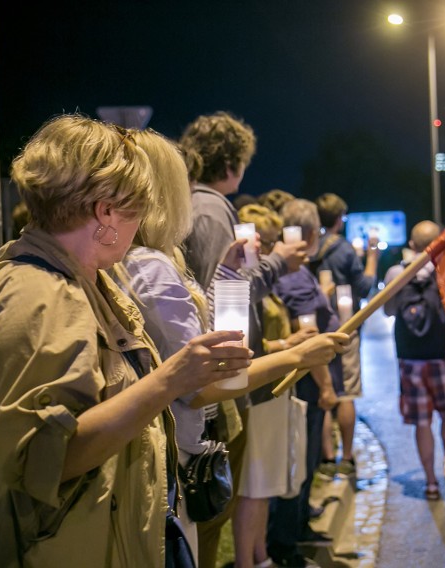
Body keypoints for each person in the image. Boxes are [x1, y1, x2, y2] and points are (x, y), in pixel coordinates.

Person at [0, 115, 252, 567]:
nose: (140, 226)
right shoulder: (39, 295)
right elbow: (44, 457)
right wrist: (169, 380)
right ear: (107, 211)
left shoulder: (89, 279)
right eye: (138, 209)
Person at [110, 130, 347, 565]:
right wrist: (296, 356)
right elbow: (200, 383)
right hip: (176, 452)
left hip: (156, 449)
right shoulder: (153, 266)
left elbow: (207, 335)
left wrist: (229, 275)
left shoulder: (138, 261)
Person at [179, 112, 307, 568]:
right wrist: (279, 264)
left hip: (209, 375)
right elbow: (226, 292)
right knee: (213, 504)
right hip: (218, 380)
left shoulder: (195, 204)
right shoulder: (211, 209)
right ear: (233, 162)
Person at [231, 204, 317, 568]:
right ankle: (246, 561)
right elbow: (243, 348)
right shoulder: (244, 283)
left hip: (273, 389)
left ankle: (261, 556)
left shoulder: (264, 284)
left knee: (265, 487)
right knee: (254, 486)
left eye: (267, 240)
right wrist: (289, 345)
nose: (265, 246)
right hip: (258, 390)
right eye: (261, 239)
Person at [268, 199, 342, 567]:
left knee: (306, 460)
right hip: (308, 380)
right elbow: (308, 335)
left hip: (309, 377)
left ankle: (297, 529)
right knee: (299, 461)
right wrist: (327, 386)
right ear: (311, 234)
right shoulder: (295, 275)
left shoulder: (299, 271)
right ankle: (286, 541)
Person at [383, 221, 445, 501]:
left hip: (409, 357)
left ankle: (430, 483)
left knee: (422, 421)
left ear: (412, 245)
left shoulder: (396, 272)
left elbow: (389, 310)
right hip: (442, 354)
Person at [313, 193, 379, 479]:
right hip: (345, 327)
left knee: (324, 391)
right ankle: (348, 458)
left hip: (315, 326)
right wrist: (372, 258)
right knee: (346, 392)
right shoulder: (343, 249)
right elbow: (364, 286)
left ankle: (326, 458)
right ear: (339, 219)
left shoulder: (312, 246)